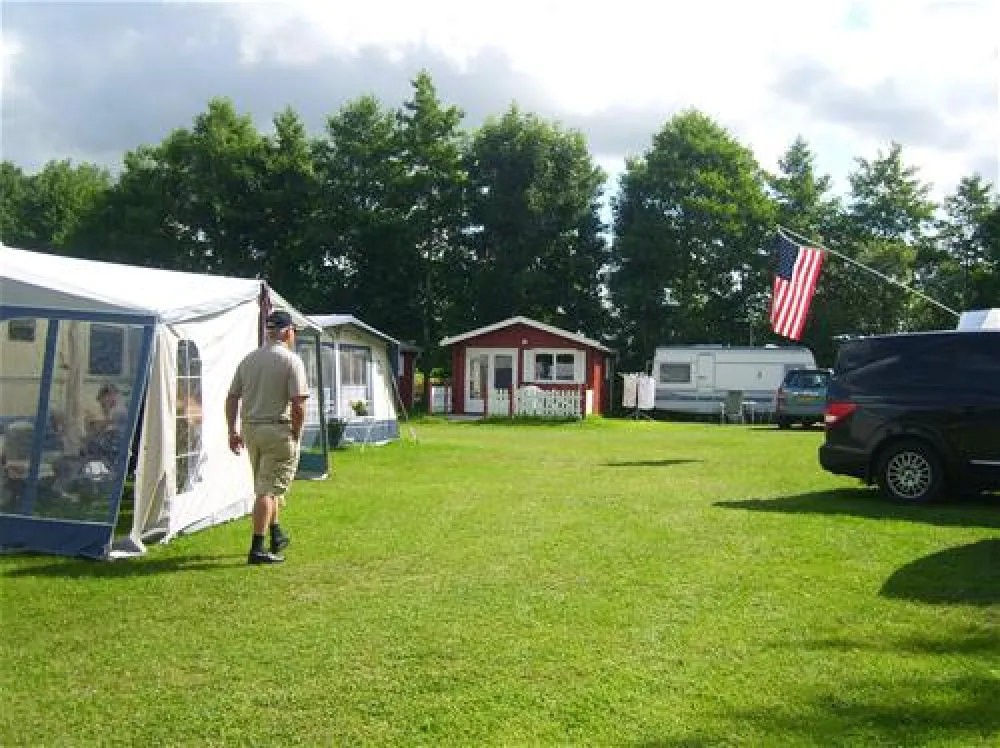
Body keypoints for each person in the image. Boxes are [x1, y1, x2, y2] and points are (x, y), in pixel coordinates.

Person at [226, 309, 310, 565]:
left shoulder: (249, 359)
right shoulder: (291, 361)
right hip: (277, 429)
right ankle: (257, 548)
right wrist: (296, 432)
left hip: (251, 429)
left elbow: (232, 397)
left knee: (266, 485)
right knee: (266, 490)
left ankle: (276, 533)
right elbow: (298, 404)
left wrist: (232, 430)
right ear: (287, 332)